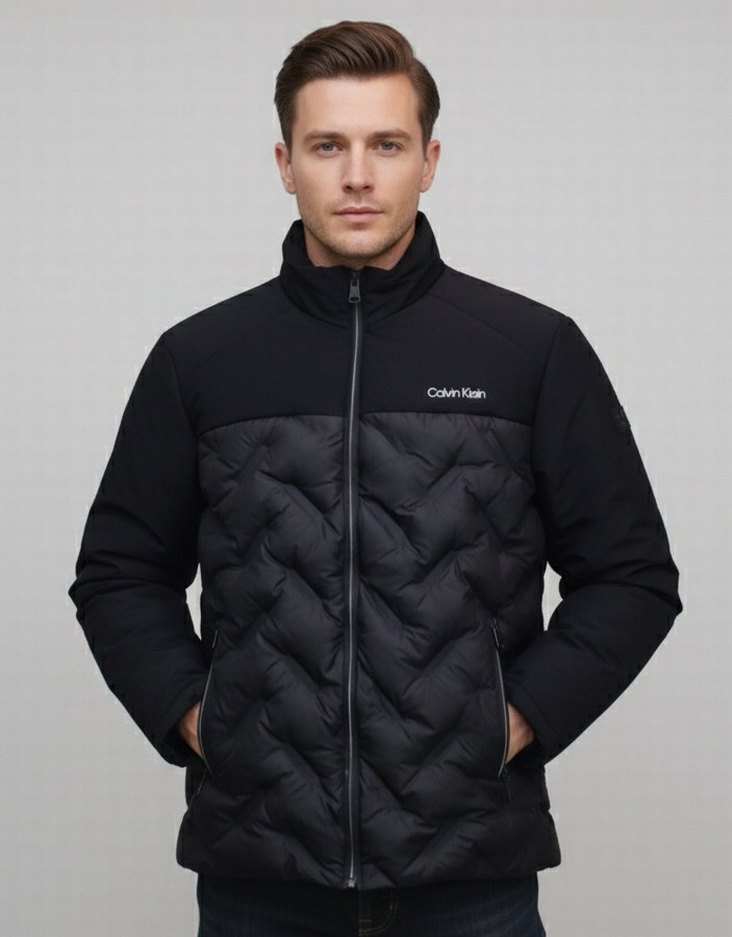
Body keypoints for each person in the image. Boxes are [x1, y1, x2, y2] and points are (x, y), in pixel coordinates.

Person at [68, 20, 682, 937]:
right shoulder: (200, 360)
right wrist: (204, 719)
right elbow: (119, 571)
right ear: (286, 164)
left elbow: (632, 575)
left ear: (429, 161)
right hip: (259, 884)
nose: (357, 175)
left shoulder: (530, 351)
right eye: (328, 146)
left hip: (472, 882)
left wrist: (513, 720)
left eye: (386, 145)